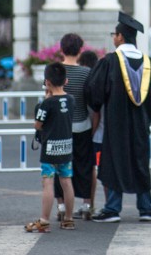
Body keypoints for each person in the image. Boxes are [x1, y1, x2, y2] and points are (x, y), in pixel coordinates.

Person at [87, 12, 151, 222]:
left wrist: (97, 107)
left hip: (115, 124)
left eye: (114, 34)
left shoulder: (110, 62)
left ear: (120, 37)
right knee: (140, 162)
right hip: (140, 124)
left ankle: (112, 209)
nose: (113, 38)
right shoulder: (149, 64)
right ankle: (145, 209)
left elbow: (95, 92)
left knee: (113, 162)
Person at [26, 62, 77, 232]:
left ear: (47, 82)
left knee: (48, 182)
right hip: (67, 147)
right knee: (66, 181)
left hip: (49, 149)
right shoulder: (71, 99)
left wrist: (46, 100)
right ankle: (69, 219)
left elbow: (38, 125)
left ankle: (44, 220)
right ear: (66, 81)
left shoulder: (46, 104)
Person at [55, 33, 94, 221]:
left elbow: (48, 97)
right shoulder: (87, 73)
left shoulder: (54, 71)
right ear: (80, 50)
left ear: (61, 49)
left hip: (60, 127)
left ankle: (61, 205)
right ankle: (86, 204)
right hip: (83, 125)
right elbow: (90, 102)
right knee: (84, 165)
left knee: (59, 167)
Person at [78, 49, 102, 211]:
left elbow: (95, 113)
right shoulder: (98, 80)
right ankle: (91, 204)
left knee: (89, 168)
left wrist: (91, 132)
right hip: (100, 133)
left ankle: (89, 204)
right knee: (94, 168)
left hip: (92, 132)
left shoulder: (88, 83)